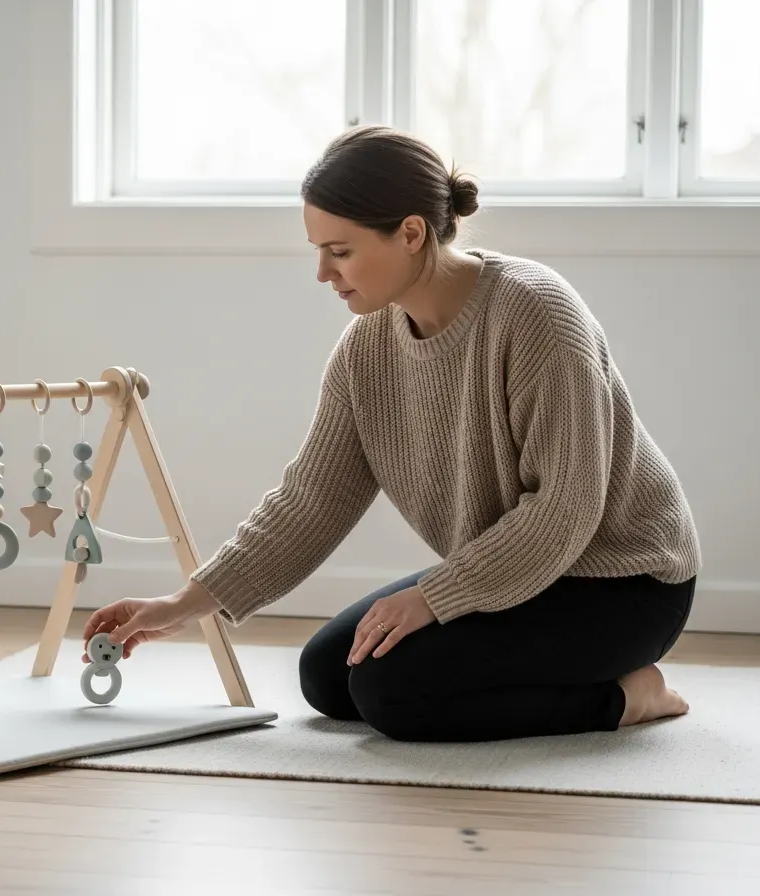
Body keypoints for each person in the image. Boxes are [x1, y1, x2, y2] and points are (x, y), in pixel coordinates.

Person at [82, 125, 701, 742]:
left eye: (341, 250)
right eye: (317, 250)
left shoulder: (537, 315)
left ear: (410, 233)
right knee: (327, 676)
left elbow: (564, 510)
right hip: (517, 574)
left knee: (392, 693)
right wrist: (181, 605)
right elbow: (309, 504)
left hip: (624, 584)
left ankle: (624, 698)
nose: (322, 272)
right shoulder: (367, 350)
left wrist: (434, 597)